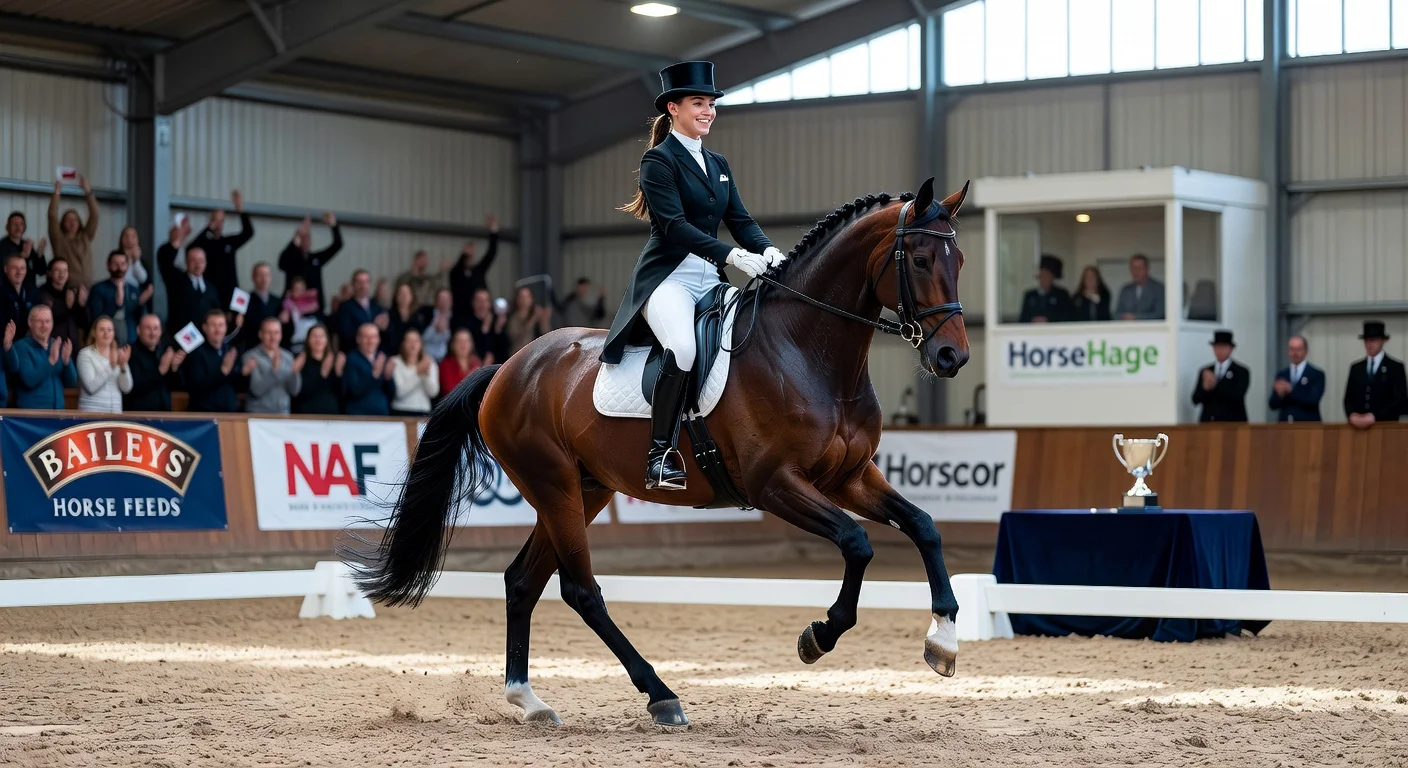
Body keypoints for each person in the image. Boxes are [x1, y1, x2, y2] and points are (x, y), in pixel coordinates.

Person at [603, 61, 784, 491]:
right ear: (673, 108)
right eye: (699, 103)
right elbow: (675, 227)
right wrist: (734, 255)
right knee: (682, 348)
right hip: (668, 279)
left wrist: (767, 248)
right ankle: (659, 453)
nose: (708, 111)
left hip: (711, 276)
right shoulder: (658, 161)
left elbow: (740, 218)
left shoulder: (718, 163)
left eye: (711, 104)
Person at [189, 191, 254, 307]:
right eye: (216, 220)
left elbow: (248, 233)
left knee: (236, 323)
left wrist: (240, 210)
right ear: (210, 221)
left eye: (221, 220)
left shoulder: (229, 242)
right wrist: (208, 228)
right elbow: (190, 249)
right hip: (211, 293)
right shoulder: (204, 243)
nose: (219, 224)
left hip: (231, 294)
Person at [7, 305, 76, 409]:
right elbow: (29, 380)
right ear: (30, 323)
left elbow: (71, 382)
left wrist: (67, 363)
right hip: (32, 415)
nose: (44, 325)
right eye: (40, 321)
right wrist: (50, 361)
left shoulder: (57, 345)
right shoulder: (21, 347)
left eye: (48, 321)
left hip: (58, 413)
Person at [1344, 320, 1407, 429]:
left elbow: (1400, 400)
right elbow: (1348, 398)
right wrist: (1352, 415)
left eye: (1373, 341)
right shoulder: (1356, 368)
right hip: (1358, 427)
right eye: (1367, 341)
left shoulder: (1395, 367)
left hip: (1386, 427)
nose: (1369, 345)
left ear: (1383, 341)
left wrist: (1375, 417)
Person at [279, 212, 342, 316]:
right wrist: (294, 241)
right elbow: (281, 264)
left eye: (309, 237)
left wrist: (333, 226)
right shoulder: (291, 258)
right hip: (294, 310)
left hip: (315, 309)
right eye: (304, 237)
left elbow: (337, 245)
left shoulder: (315, 259)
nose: (307, 241)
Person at [182, 309, 240, 413]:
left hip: (229, 414)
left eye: (221, 325)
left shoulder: (229, 350)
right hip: (205, 416)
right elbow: (196, 387)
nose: (217, 330)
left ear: (226, 328)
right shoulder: (196, 353)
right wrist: (222, 372)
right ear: (205, 328)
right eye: (213, 325)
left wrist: (243, 371)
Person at [240, 317, 300, 414]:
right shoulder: (251, 356)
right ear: (260, 334)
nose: (273, 337)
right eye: (269, 333)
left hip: (282, 413)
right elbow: (256, 390)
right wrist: (274, 372)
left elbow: (294, 391)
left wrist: (295, 373)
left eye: (276, 333)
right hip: (258, 413)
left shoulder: (288, 357)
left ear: (281, 335)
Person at [47, 175, 99, 285]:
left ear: (79, 222)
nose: (72, 222)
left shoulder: (85, 236)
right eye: (68, 220)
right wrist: (57, 192)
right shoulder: (58, 239)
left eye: (75, 219)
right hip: (67, 289)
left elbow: (94, 215)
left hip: (88, 289)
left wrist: (87, 191)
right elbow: (52, 215)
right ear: (62, 224)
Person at [450, 215, 499, 327]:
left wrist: (494, 232)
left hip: (482, 315)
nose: (470, 259)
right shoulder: (456, 274)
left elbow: (491, 254)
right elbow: (457, 270)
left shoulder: (478, 271)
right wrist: (464, 254)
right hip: (463, 317)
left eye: (471, 256)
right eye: (467, 257)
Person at [126, 314, 182, 412]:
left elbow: (176, 386)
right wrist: (160, 370)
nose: (153, 333)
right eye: (148, 328)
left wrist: (174, 367)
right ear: (138, 330)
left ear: (160, 331)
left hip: (164, 414)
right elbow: (133, 387)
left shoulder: (164, 351)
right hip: (140, 416)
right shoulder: (130, 352)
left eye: (156, 328)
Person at [75, 316, 132, 413]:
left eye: (110, 330)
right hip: (92, 413)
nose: (106, 333)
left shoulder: (118, 354)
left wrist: (123, 366)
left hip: (115, 413)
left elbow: (126, 388)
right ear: (94, 333)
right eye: (102, 330)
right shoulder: (85, 354)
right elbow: (90, 387)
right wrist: (111, 366)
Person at [1191, 330, 1250, 422]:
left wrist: (1215, 384)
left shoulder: (1241, 371)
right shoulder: (1206, 370)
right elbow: (1195, 399)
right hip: (1209, 422)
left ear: (1230, 349)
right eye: (1217, 347)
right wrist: (1205, 388)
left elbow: (1236, 396)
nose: (1220, 351)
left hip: (1232, 423)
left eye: (1223, 347)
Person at [88, 251, 140, 345]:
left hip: (130, 336)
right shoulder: (99, 288)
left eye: (122, 264)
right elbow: (97, 317)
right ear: (108, 265)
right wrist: (117, 303)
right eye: (115, 264)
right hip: (107, 335)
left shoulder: (133, 289)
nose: (119, 268)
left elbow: (137, 313)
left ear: (127, 266)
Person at [1269, 335, 1325, 422]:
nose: (1294, 353)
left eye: (1298, 349)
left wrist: (1290, 390)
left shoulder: (1316, 374)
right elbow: (1272, 404)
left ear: (1306, 351)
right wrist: (1280, 395)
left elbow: (1312, 400)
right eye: (1291, 349)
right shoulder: (1282, 374)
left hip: (1308, 426)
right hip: (1285, 424)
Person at [343, 323, 395, 416]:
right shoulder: (352, 359)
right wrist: (373, 374)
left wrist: (388, 378)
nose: (370, 341)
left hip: (381, 414)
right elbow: (354, 391)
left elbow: (391, 393)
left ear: (379, 339)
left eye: (374, 337)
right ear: (358, 339)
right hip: (358, 415)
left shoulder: (382, 358)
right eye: (366, 337)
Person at [292, 324, 343, 415]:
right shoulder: (300, 360)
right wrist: (322, 374)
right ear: (308, 340)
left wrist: (339, 373)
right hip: (305, 413)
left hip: (330, 414)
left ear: (327, 339)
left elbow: (342, 392)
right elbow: (300, 392)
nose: (318, 340)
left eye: (322, 336)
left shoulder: (335, 360)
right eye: (314, 336)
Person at [39, 258, 88, 350]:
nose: (62, 274)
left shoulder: (71, 291)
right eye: (57, 270)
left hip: (73, 344)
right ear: (49, 273)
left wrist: (82, 306)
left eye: (65, 271)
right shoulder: (42, 293)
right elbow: (47, 320)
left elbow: (84, 323)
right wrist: (66, 306)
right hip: (52, 344)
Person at [335, 269, 388, 352]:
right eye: (359, 282)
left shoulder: (377, 306)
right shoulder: (345, 307)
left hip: (376, 353)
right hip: (354, 352)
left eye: (366, 282)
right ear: (353, 284)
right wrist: (373, 325)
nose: (363, 286)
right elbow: (345, 334)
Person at [389, 329, 439, 416]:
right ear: (403, 344)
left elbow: (433, 393)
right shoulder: (395, 362)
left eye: (416, 341)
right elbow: (399, 392)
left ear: (421, 344)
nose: (413, 345)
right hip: (400, 410)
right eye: (409, 341)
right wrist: (418, 373)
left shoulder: (429, 362)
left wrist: (426, 375)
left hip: (423, 411)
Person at [1018, 254, 1071, 323]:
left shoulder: (1062, 295)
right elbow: (1022, 319)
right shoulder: (1030, 296)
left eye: (1048, 275)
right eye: (1042, 275)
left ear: (1052, 277)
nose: (1044, 279)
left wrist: (1048, 320)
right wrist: (1032, 320)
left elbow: (1068, 317)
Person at [1113, 254, 1165, 320]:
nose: (1136, 272)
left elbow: (1160, 314)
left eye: (1139, 268)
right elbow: (1117, 314)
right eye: (1133, 268)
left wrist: (1136, 317)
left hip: (1151, 329)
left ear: (1147, 269)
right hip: (1128, 329)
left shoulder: (1158, 288)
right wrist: (1123, 316)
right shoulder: (1125, 290)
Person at [381, 283, 428, 356]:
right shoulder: (387, 315)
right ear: (396, 297)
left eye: (406, 293)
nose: (404, 296)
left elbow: (420, 340)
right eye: (401, 293)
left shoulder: (418, 317)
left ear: (412, 297)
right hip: (392, 355)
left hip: (412, 355)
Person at [505, 285, 552, 356]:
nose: (525, 300)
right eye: (522, 297)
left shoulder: (536, 314)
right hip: (518, 354)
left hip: (536, 353)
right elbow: (516, 338)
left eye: (527, 297)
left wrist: (544, 320)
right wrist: (532, 319)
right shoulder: (514, 318)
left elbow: (546, 335)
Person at [438, 328, 481, 398]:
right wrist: (469, 378)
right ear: (453, 345)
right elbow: (449, 390)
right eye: (459, 341)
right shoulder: (445, 364)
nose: (463, 344)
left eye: (466, 341)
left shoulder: (475, 362)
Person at [420, 288, 456, 361]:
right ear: (435, 301)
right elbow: (420, 337)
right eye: (441, 299)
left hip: (447, 359)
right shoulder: (425, 313)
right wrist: (434, 327)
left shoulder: (455, 319)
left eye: (446, 299)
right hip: (426, 357)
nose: (444, 302)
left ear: (451, 302)